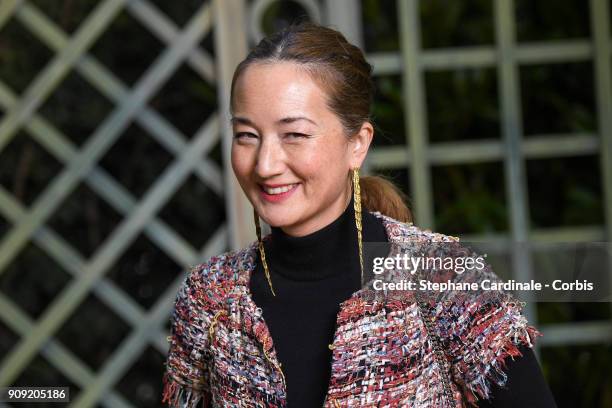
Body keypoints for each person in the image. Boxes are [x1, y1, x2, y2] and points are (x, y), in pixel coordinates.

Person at [162, 21, 557, 407]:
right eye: (246, 135)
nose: (265, 164)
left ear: (358, 143)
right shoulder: (209, 299)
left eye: (294, 134)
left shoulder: (443, 278)